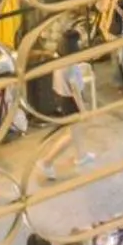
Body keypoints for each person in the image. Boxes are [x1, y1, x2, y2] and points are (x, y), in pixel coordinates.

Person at [42, 30, 98, 180]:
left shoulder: (59, 57)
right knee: (71, 135)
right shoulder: (71, 65)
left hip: (61, 96)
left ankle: (81, 156)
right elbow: (75, 91)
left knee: (76, 131)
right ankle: (47, 161)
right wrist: (84, 110)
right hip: (70, 100)